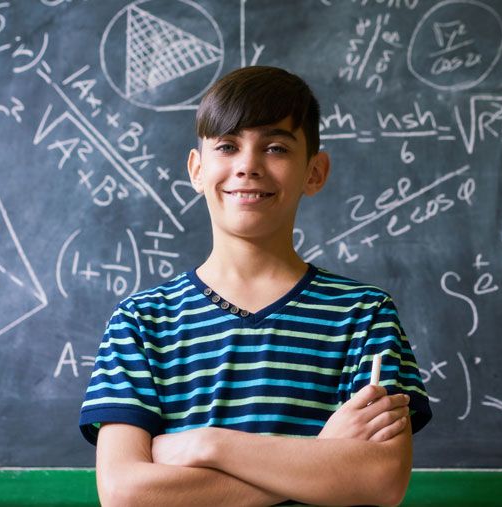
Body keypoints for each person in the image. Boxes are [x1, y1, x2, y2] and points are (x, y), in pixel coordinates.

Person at [79, 66, 432, 507]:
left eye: (276, 147)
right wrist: (323, 459)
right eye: (227, 146)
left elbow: (382, 480)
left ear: (315, 172)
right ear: (197, 169)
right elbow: (125, 493)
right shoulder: (141, 322)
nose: (248, 166)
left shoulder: (365, 315)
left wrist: (207, 445)